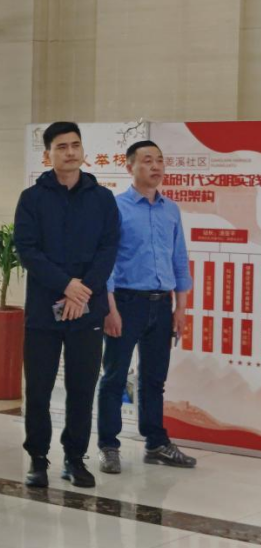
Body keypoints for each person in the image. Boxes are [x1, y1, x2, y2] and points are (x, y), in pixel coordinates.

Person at [14, 121, 119, 489]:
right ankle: (38, 458)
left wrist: (83, 291)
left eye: (75, 145)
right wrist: (66, 285)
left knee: (82, 389)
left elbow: (109, 249)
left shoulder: (102, 198)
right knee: (38, 389)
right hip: (44, 310)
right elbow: (27, 250)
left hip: (87, 310)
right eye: (61, 146)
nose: (70, 152)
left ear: (83, 150)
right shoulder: (32, 198)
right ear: (48, 154)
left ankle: (75, 459)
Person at [98, 140, 196, 473]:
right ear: (129, 167)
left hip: (162, 303)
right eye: (147, 160)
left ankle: (156, 442)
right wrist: (110, 308)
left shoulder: (171, 209)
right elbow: (107, 263)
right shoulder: (116, 207)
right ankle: (108, 445)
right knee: (114, 377)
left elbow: (179, 258)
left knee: (154, 379)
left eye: (160, 160)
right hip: (126, 302)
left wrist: (181, 308)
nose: (156, 166)